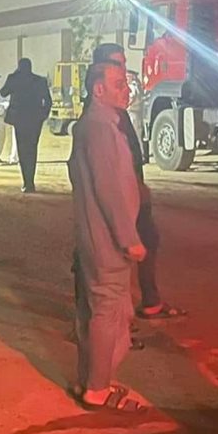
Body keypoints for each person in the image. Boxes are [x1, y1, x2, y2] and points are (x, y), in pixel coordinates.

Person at [69, 62, 147, 413]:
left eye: (126, 84)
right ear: (97, 90)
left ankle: (90, 379)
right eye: (117, 84)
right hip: (107, 241)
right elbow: (108, 188)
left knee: (99, 310)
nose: (126, 90)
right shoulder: (99, 129)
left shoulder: (96, 126)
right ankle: (97, 389)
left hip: (96, 236)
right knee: (107, 312)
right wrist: (128, 238)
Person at [91, 42, 183, 321]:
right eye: (117, 65)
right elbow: (106, 175)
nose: (124, 72)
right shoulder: (99, 119)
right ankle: (99, 319)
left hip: (133, 191)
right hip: (120, 198)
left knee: (147, 240)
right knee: (103, 257)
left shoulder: (114, 112)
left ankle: (146, 301)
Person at [1, 57, 52, 193]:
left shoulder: (14, 79)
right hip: (35, 119)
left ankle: (27, 182)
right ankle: (31, 182)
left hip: (19, 119)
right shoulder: (40, 81)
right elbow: (48, 101)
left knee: (22, 150)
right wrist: (43, 116)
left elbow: (3, 92)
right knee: (32, 149)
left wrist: (14, 75)